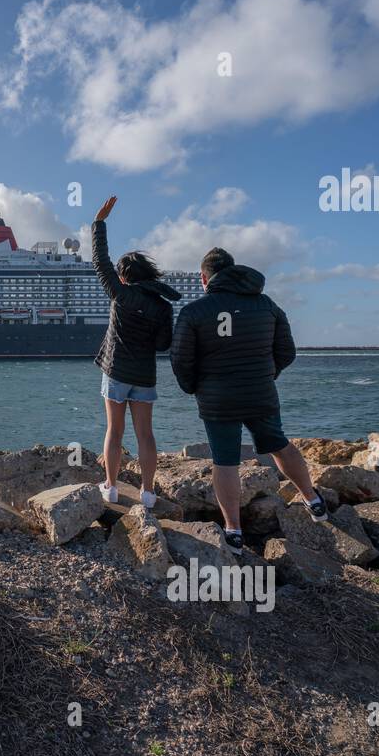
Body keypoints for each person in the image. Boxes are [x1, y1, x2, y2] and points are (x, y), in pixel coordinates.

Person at [169, 247, 328, 555]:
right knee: (278, 444)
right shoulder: (266, 304)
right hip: (260, 392)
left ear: (204, 278)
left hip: (217, 398)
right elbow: (287, 352)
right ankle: (313, 501)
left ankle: (234, 532)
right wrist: (268, 374)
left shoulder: (194, 311)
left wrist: (195, 387)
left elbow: (181, 359)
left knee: (225, 461)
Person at [91, 196, 181, 508]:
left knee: (114, 432)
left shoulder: (120, 294)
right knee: (146, 435)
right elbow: (163, 345)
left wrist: (99, 224)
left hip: (116, 372)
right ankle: (147, 492)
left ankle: (111, 486)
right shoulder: (163, 306)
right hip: (144, 375)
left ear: (125, 276)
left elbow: (100, 262)